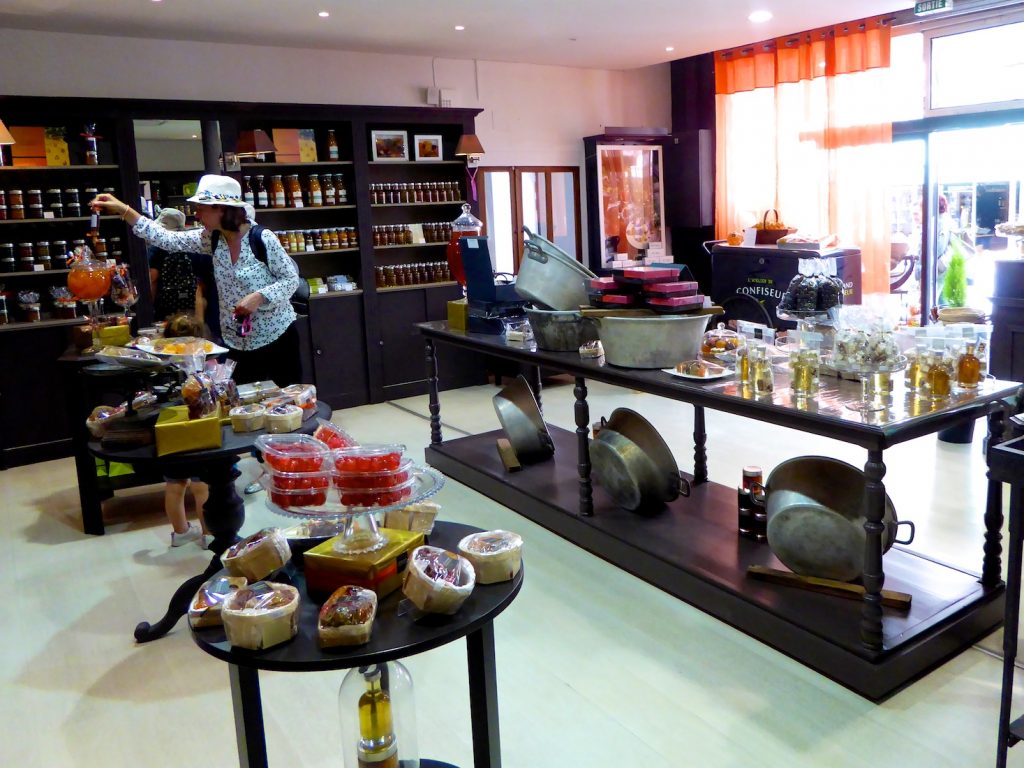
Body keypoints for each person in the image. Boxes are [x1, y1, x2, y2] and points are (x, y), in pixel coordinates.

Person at [90, 175, 301, 385]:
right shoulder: (213, 239)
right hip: (238, 341)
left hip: (277, 337)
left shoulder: (261, 238)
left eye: (201, 208)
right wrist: (123, 209)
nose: (197, 215)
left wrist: (259, 297)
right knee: (243, 407)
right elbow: (165, 238)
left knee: (290, 402)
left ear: (222, 208)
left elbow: (291, 279)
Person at [147, 208, 212, 547]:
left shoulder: (162, 366)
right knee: (203, 484)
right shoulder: (197, 249)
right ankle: (209, 533)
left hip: (172, 429)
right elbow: (201, 291)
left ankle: (179, 534)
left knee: (175, 484)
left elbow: (152, 280)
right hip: (201, 426)